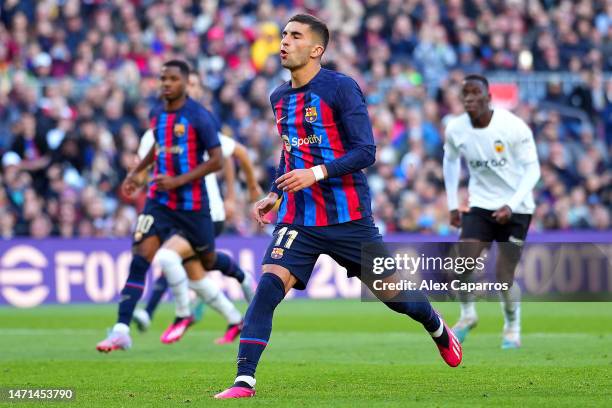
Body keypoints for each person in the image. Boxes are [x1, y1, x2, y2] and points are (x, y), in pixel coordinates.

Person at [215, 14, 462, 399]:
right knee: (267, 288)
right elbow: (291, 150)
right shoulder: (279, 97)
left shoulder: (341, 89)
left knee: (397, 298)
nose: (283, 42)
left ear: (316, 50)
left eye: (294, 36)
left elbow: (366, 151)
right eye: (283, 35)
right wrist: (276, 193)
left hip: (349, 217)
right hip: (299, 217)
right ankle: (244, 380)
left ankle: (437, 327)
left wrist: (314, 174)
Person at [96, 59, 226, 352]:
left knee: (207, 261)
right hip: (159, 200)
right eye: (162, 78)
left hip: (192, 205)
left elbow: (217, 160)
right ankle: (120, 330)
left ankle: (237, 290)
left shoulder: (199, 116)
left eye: (172, 79)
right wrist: (136, 172)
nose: (166, 84)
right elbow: (159, 146)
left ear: (185, 82)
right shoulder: (157, 113)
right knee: (141, 257)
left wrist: (179, 181)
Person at [442, 74, 541, 349]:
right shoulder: (456, 129)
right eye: (466, 95)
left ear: (488, 97)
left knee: (504, 276)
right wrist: (452, 203)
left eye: (476, 94)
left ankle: (512, 327)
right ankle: (468, 316)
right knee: (462, 265)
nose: (470, 99)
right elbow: (450, 162)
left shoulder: (513, 127)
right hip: (481, 205)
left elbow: (533, 170)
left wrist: (512, 204)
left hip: (517, 207)